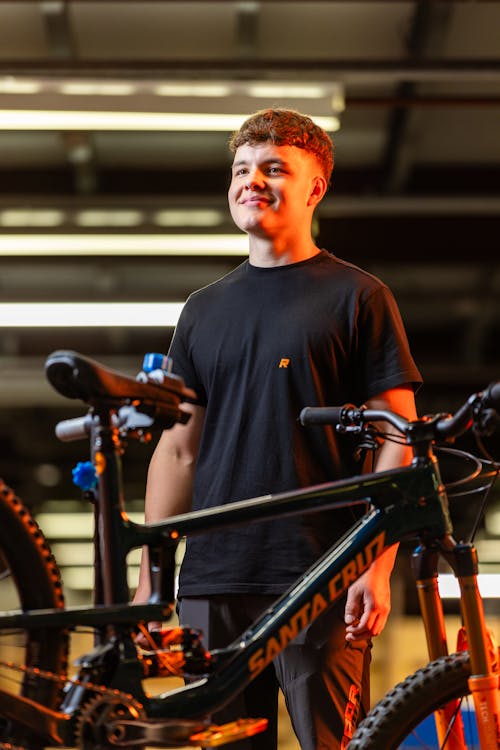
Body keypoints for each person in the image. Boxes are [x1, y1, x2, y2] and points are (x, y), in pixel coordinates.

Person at [134, 108, 422, 749]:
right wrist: (154, 574)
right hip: (213, 579)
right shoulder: (202, 309)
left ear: (315, 187)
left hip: (324, 575)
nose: (251, 182)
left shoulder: (358, 297)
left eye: (273, 169)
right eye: (241, 169)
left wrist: (375, 566)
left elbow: (399, 435)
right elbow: (179, 450)